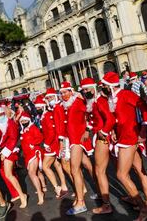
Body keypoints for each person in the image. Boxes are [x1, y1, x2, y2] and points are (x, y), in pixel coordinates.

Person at [101, 72, 147, 221]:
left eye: (104, 85)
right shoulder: (112, 98)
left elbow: (144, 107)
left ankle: (144, 208)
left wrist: (143, 128)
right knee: (138, 170)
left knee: (121, 175)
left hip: (130, 137)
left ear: (110, 85)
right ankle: (145, 201)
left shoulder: (125, 94)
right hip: (123, 136)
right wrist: (112, 130)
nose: (102, 88)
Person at [80, 78, 116, 214]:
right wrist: (88, 129)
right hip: (100, 137)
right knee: (116, 172)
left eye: (87, 89)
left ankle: (106, 205)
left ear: (93, 88)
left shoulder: (99, 101)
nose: (85, 92)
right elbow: (92, 119)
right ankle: (135, 200)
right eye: (83, 90)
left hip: (102, 138)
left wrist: (104, 131)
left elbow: (111, 119)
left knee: (99, 171)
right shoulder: (92, 101)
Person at [59, 81, 94, 216]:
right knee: (84, 166)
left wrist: (87, 130)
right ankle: (100, 193)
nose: (63, 95)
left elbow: (91, 113)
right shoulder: (66, 105)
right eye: (61, 93)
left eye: (65, 92)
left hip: (78, 141)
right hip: (72, 140)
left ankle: (81, 202)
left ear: (71, 91)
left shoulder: (78, 102)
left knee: (74, 169)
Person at [0, 104, 27, 208]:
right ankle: (17, 194)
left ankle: (22, 196)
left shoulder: (10, 123)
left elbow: (13, 139)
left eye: (1, 114)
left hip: (9, 150)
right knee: (5, 174)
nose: (0, 116)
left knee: (8, 174)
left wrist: (5, 152)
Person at [36, 92, 69, 199]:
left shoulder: (46, 115)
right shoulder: (45, 114)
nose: (37, 109)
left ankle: (57, 187)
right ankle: (64, 186)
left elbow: (51, 131)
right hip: (53, 142)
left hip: (51, 143)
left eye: (39, 107)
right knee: (57, 165)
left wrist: (46, 143)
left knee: (46, 167)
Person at [19, 111, 45, 205]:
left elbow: (40, 137)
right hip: (27, 155)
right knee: (37, 172)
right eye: (22, 121)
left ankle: (40, 193)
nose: (24, 122)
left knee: (31, 173)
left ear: (29, 120)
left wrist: (32, 143)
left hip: (34, 152)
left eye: (26, 120)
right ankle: (44, 186)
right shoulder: (22, 131)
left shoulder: (33, 128)